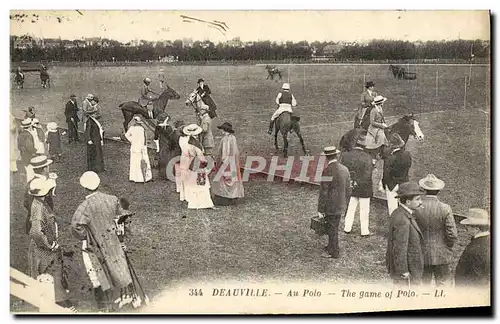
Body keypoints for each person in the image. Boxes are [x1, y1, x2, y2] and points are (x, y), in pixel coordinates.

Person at [71, 171, 134, 311]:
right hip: (112, 241)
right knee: (116, 266)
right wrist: (120, 236)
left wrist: (87, 236)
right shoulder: (112, 199)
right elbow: (122, 218)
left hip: (94, 245)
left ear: (84, 187)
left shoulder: (85, 206)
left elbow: (75, 226)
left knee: (96, 273)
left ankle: (104, 306)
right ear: (98, 183)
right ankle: (124, 296)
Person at [27, 177, 74, 310]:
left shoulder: (39, 203)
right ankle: (64, 307)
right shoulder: (39, 208)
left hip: (45, 250)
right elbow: (36, 232)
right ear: (46, 192)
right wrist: (50, 245)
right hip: (44, 252)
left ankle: (57, 304)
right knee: (52, 277)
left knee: (52, 277)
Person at [413, 174, 458, 287]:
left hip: (422, 254)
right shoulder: (445, 208)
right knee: (443, 287)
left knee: (423, 286)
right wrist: (447, 246)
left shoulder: (417, 208)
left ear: (423, 190)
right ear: (438, 190)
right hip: (442, 254)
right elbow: (452, 234)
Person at [386, 182, 425, 287]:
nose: (421, 202)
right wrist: (403, 271)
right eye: (417, 199)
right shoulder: (402, 219)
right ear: (408, 202)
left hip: (410, 267)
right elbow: (399, 247)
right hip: (407, 271)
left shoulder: (401, 212)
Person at [317, 146, 351, 259]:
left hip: (331, 205)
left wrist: (321, 209)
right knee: (334, 226)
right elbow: (348, 189)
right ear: (336, 155)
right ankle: (331, 246)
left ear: (326, 157)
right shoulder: (345, 169)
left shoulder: (327, 171)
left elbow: (324, 192)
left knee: (332, 228)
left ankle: (334, 252)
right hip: (341, 203)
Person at [341, 135, 374, 236]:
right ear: (364, 146)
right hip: (364, 187)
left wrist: (351, 182)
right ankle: (364, 231)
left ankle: (347, 227)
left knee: (350, 207)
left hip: (349, 185)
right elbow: (368, 174)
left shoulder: (346, 156)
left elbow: (343, 170)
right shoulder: (367, 157)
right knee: (364, 209)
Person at [178, 124, 214, 210]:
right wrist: (208, 161)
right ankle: (203, 203)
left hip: (189, 165)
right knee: (201, 184)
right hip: (197, 165)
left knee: (192, 184)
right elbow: (201, 158)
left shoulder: (187, 143)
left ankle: (193, 202)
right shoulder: (196, 145)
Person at [454, 208, 490, 289]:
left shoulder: (474, 249)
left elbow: (471, 276)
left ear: (477, 229)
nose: (465, 228)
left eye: (468, 226)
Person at [211, 122, 245, 206]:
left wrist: (222, 162)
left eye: (222, 129)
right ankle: (233, 196)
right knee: (233, 179)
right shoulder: (233, 138)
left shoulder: (225, 139)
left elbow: (224, 153)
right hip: (233, 161)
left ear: (224, 130)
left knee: (223, 180)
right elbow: (236, 151)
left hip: (226, 162)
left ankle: (224, 198)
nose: (221, 131)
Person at [24, 155, 57, 234]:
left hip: (33, 211)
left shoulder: (32, 182)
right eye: (47, 166)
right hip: (43, 211)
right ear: (45, 169)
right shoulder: (45, 183)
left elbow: (25, 202)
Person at [382, 133, 412, 216]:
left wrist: (385, 185)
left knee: (392, 208)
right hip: (404, 182)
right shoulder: (407, 154)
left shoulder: (390, 158)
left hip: (392, 185)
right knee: (404, 206)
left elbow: (386, 174)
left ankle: (394, 222)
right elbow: (408, 166)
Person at [124, 116, 152, 183]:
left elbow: (126, 135)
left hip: (135, 147)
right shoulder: (142, 129)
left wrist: (132, 141)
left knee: (135, 162)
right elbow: (144, 140)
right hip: (141, 148)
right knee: (143, 161)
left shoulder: (132, 128)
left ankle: (135, 177)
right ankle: (144, 178)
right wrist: (143, 147)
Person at [364, 95, 389, 163]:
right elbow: (372, 122)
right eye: (382, 102)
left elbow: (382, 118)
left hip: (380, 126)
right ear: (380, 103)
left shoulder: (380, 108)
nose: (383, 103)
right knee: (381, 136)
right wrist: (381, 125)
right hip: (374, 128)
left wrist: (385, 124)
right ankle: (376, 154)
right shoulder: (373, 110)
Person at [153, 113, 174, 180]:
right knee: (168, 158)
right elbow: (171, 138)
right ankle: (168, 174)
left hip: (161, 143)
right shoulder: (169, 128)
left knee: (162, 158)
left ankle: (161, 174)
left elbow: (155, 138)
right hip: (168, 144)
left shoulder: (157, 127)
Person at [84, 109, 105, 173]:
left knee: (98, 154)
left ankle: (99, 168)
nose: (96, 114)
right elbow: (87, 131)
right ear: (91, 115)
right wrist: (89, 139)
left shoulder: (95, 120)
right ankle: (94, 168)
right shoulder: (90, 121)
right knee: (94, 154)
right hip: (93, 140)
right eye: (94, 113)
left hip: (97, 140)